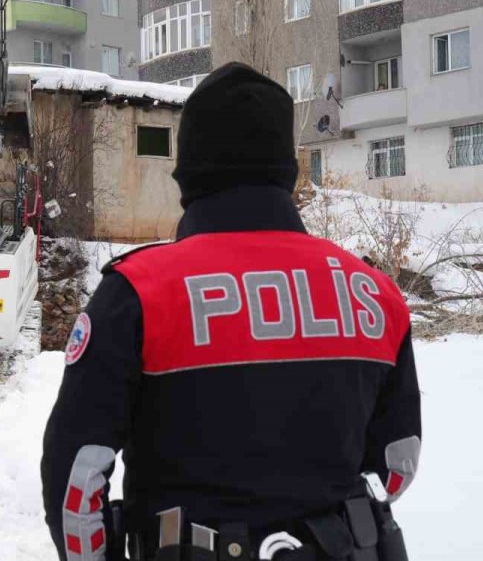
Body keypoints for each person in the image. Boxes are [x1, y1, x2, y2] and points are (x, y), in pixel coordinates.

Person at [41, 63, 420, 561]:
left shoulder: (138, 293)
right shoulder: (374, 293)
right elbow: (396, 465)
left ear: (190, 170)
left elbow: (76, 478)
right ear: (288, 169)